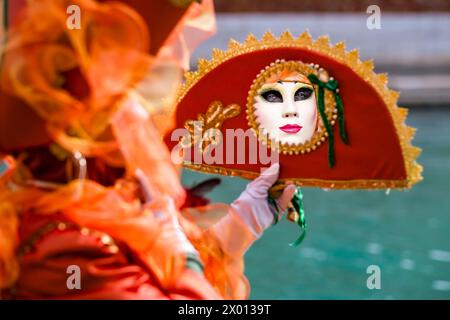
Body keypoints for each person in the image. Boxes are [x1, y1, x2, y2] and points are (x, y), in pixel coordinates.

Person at [0, 0, 295, 299]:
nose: (149, 120)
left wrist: (247, 219)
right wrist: (178, 249)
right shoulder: (68, 247)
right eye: (129, 103)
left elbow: (162, 273)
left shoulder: (93, 206)